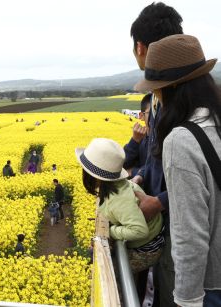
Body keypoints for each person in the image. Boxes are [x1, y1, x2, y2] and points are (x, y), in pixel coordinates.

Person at [134, 34, 221, 307]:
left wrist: (187, 301)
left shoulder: (181, 140)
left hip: (209, 287)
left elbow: (189, 238)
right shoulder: (215, 120)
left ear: (167, 89)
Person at [130, 3, 183, 306]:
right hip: (164, 228)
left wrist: (158, 202)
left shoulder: (186, 105)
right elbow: (154, 158)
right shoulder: (155, 99)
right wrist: (139, 176)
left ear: (140, 47)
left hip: (182, 231)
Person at [76, 138, 164, 274]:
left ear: (95, 177)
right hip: (145, 241)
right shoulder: (116, 187)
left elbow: (140, 230)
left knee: (105, 272)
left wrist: (110, 231)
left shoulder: (119, 199)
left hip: (147, 249)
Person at [123, 94, 152, 178]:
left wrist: (133, 171)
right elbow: (123, 164)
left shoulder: (168, 139)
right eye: (152, 113)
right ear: (141, 116)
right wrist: (134, 141)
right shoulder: (140, 138)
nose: (157, 117)